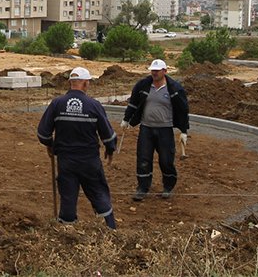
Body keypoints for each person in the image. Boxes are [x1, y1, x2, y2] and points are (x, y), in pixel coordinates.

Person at [37, 67, 117, 229]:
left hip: (66, 161)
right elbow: (107, 134)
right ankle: (110, 230)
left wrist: (51, 145)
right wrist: (110, 148)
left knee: (68, 197)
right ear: (86, 84)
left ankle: (67, 233)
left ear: (70, 83)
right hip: (89, 160)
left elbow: (43, 133)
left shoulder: (57, 104)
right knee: (98, 193)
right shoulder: (93, 106)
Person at [121, 59, 189, 201]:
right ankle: (142, 188)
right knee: (143, 159)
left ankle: (168, 187)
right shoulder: (143, 85)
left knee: (166, 160)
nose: (154, 73)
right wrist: (126, 119)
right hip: (146, 128)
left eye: (157, 71)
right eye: (152, 70)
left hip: (165, 130)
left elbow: (183, 110)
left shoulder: (174, 88)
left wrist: (184, 131)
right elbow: (133, 103)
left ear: (165, 71)